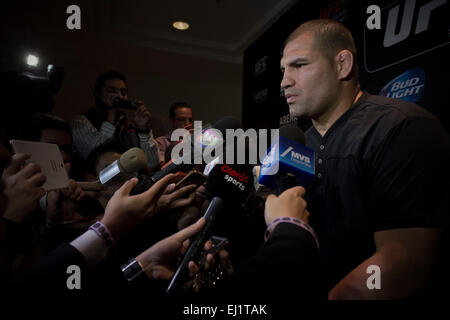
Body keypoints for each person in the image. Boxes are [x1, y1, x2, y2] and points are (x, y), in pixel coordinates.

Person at [280, 19, 450, 299]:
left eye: (299, 65)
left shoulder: (401, 128)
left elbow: (405, 264)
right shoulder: (298, 145)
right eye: (283, 70)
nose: (285, 80)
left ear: (342, 65)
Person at [70, 71, 159, 170]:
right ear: (97, 94)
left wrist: (142, 129)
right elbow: (93, 153)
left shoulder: (130, 126)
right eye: (112, 91)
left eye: (123, 93)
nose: (119, 96)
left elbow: (151, 163)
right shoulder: (82, 121)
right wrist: (111, 117)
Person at [155, 102, 193, 166]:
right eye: (182, 120)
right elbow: (163, 167)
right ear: (172, 121)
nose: (187, 123)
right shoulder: (161, 142)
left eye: (190, 120)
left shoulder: (195, 140)